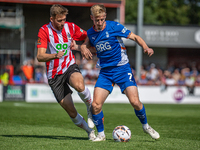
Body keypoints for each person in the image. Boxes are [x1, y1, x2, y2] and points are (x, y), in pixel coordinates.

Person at [81, 4, 160, 141]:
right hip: (105, 72)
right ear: (91, 18)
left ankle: (146, 126)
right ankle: (101, 135)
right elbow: (85, 45)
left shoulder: (114, 27)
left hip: (122, 69)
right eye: (96, 20)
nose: (99, 23)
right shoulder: (90, 33)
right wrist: (82, 48)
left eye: (101, 19)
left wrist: (146, 47)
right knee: (95, 105)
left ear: (105, 16)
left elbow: (134, 37)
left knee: (135, 102)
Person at [36, 4, 95, 140]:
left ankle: (90, 108)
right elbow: (40, 56)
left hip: (69, 66)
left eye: (64, 19)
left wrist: (83, 47)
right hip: (54, 75)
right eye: (59, 20)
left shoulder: (71, 27)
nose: (63, 23)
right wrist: (54, 55)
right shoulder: (44, 31)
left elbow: (89, 35)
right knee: (71, 110)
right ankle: (89, 131)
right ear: (52, 19)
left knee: (79, 85)